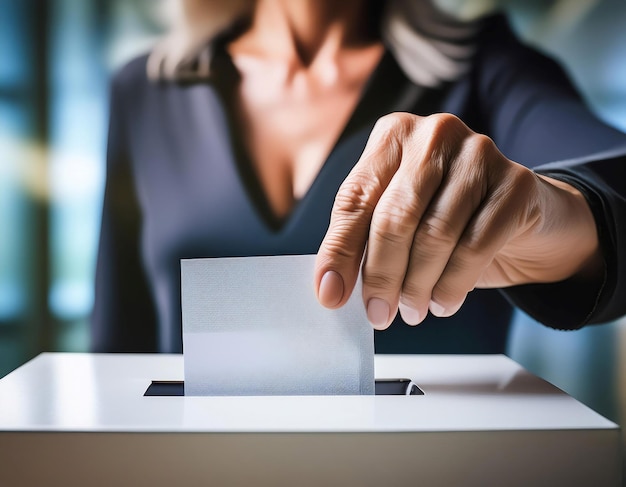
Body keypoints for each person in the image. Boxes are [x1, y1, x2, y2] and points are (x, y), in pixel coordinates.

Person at [91, 0, 626, 354]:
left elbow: (611, 186)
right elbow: (116, 347)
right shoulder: (144, 91)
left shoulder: (486, 69)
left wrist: (541, 212)